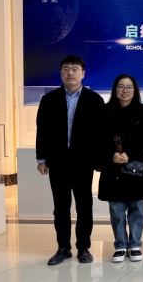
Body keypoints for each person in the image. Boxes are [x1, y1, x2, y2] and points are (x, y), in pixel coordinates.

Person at [35, 55, 106, 266]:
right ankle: (63, 247)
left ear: (83, 73)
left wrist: (99, 160)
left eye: (74, 69)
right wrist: (41, 158)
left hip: (83, 163)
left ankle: (83, 247)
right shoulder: (49, 100)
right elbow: (42, 131)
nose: (70, 73)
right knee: (61, 207)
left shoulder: (94, 100)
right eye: (66, 69)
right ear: (61, 73)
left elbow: (100, 133)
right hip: (57, 162)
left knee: (84, 206)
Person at [98, 74, 143, 263]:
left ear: (135, 90)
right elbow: (97, 139)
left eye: (129, 87)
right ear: (115, 89)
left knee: (137, 207)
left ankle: (135, 244)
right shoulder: (104, 112)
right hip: (112, 167)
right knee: (116, 208)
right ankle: (120, 245)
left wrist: (129, 153)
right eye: (121, 86)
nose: (125, 90)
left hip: (135, 167)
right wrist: (111, 155)